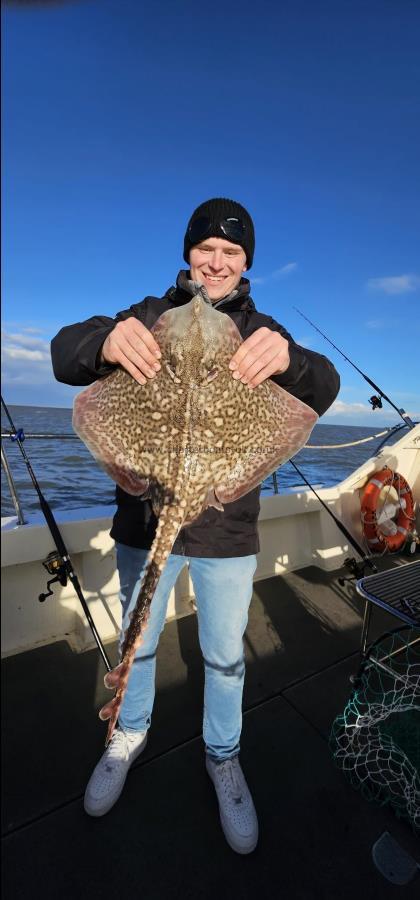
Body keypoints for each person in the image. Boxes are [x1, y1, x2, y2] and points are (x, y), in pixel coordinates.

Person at [51, 197, 340, 854]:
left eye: (231, 252)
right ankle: (125, 737)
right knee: (139, 641)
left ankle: (223, 755)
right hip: (144, 522)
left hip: (228, 535)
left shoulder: (262, 329)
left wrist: (289, 360)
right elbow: (66, 353)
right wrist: (103, 341)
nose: (216, 261)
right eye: (206, 248)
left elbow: (322, 386)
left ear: (245, 264)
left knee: (225, 656)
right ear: (188, 254)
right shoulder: (148, 316)